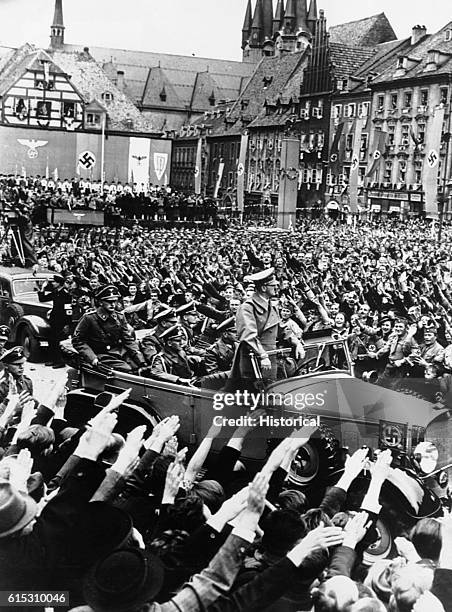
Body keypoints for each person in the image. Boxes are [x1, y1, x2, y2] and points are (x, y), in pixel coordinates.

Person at [231, 268, 305, 390]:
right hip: (254, 360)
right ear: (264, 288)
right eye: (273, 285)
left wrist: (297, 343)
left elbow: (282, 330)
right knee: (254, 397)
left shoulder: (271, 306)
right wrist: (263, 355)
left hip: (270, 358)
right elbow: (248, 335)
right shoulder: (247, 307)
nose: (277, 288)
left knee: (271, 393)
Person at [73, 285, 146, 372]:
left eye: (115, 301)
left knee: (141, 366)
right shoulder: (90, 318)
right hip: (102, 354)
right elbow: (78, 341)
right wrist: (92, 358)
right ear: (100, 302)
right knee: (127, 370)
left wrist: (140, 358)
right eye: (109, 301)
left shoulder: (120, 317)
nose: (113, 304)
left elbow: (128, 340)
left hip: (119, 352)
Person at [38, 274, 73, 368]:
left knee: (58, 341)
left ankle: (60, 361)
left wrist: (68, 324)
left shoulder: (66, 294)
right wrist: (43, 288)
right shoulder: (55, 292)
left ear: (59, 283)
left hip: (62, 321)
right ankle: (53, 360)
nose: (52, 283)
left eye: (54, 282)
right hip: (54, 320)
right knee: (51, 340)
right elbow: (42, 299)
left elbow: (69, 310)